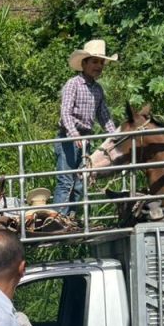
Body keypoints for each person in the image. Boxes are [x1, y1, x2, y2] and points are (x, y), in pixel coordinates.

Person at [54, 39, 119, 216]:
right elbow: (65, 113)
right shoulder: (73, 84)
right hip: (69, 137)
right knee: (66, 181)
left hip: (86, 139)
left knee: (81, 182)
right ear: (84, 63)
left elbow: (104, 117)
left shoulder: (98, 89)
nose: (98, 66)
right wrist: (74, 135)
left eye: (101, 62)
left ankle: (71, 220)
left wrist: (116, 137)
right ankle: (57, 221)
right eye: (94, 62)